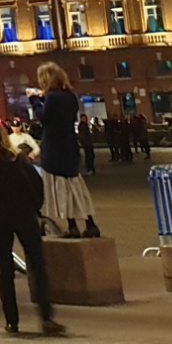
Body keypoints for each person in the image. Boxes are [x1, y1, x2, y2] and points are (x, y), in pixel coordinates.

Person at [0, 120, 66, 336]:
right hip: (24, 216)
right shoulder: (17, 160)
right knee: (37, 265)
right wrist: (33, 207)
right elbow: (36, 185)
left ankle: (11, 320)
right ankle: (46, 315)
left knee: (5, 270)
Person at [36, 63, 100, 238]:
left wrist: (34, 101)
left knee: (60, 187)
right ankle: (90, 222)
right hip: (70, 144)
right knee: (76, 185)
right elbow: (60, 116)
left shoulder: (52, 96)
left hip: (54, 147)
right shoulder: (70, 96)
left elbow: (45, 118)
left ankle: (72, 226)